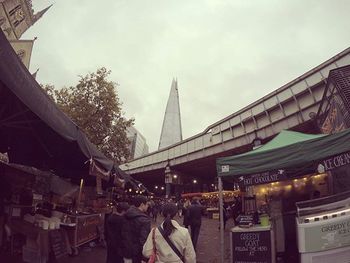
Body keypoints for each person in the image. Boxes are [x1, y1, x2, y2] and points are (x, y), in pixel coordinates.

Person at [123, 195, 151, 263]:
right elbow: (143, 240)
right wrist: (144, 258)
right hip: (137, 253)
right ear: (142, 205)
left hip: (125, 251)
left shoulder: (126, 214)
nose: (148, 206)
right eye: (147, 204)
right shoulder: (144, 220)